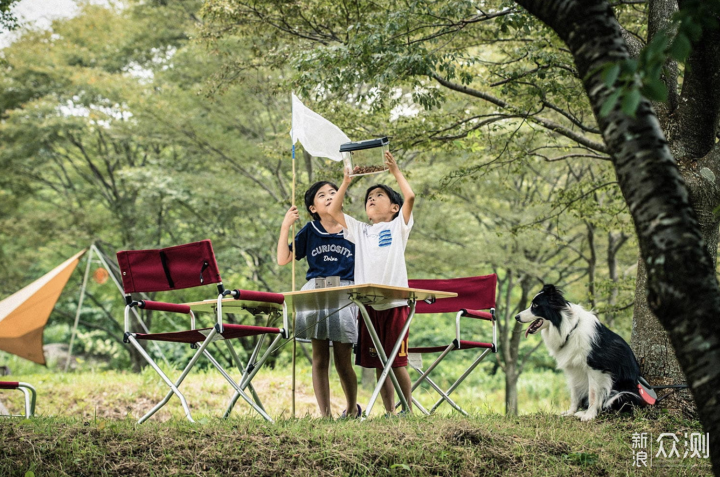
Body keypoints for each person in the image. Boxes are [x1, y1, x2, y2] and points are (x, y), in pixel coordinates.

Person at [327, 150, 415, 415]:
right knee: (380, 363)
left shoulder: (398, 226)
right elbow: (333, 210)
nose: (372, 200)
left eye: (379, 196)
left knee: (396, 362)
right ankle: (390, 412)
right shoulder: (361, 230)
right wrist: (345, 182)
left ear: (394, 208)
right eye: (369, 198)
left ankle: (407, 411)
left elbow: (409, 196)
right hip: (367, 307)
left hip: (395, 304)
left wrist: (395, 171)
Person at [276, 181, 360, 418]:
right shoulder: (310, 231)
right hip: (316, 291)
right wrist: (285, 227)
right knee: (319, 356)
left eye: (333, 192)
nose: (329, 196)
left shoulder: (353, 228)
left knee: (343, 358)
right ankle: (325, 415)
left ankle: (352, 409)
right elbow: (284, 259)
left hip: (344, 291)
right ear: (313, 208)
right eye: (322, 195)